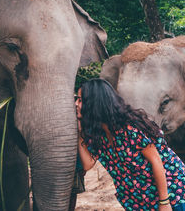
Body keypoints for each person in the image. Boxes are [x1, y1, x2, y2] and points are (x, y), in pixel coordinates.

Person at [75, 78, 185, 211]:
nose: (75, 103)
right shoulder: (98, 134)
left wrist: (164, 202)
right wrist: (80, 133)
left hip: (171, 192)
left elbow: (156, 161)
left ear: (93, 103)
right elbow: (87, 164)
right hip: (140, 200)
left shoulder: (129, 128)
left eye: (80, 100)